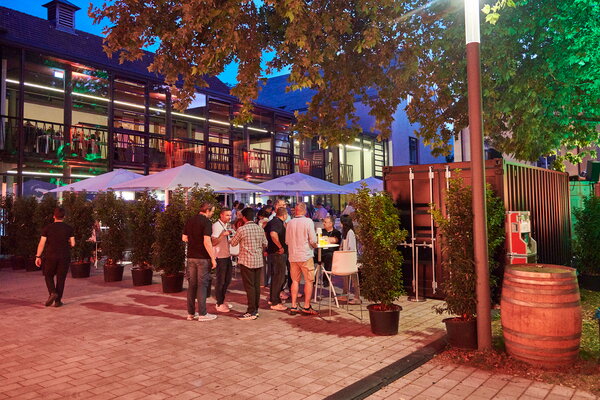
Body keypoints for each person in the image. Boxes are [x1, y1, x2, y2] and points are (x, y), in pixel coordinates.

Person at [230, 207, 268, 320]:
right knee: (256, 286)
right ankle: (255, 309)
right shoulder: (259, 229)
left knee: (249, 287)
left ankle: (251, 311)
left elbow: (233, 243)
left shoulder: (242, 229)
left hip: (246, 261)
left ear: (244, 217)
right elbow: (265, 243)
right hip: (258, 260)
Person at [182, 202, 217, 322]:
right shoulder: (207, 222)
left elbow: (184, 238)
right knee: (202, 285)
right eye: (212, 211)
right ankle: (202, 314)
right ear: (207, 211)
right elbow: (207, 241)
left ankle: (191, 314)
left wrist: (194, 242)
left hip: (191, 257)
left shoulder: (190, 220)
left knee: (192, 285)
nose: (212, 214)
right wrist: (213, 258)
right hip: (203, 257)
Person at [35, 207, 75, 307]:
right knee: (61, 279)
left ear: (54, 216)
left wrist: (38, 256)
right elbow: (73, 243)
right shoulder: (69, 228)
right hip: (64, 256)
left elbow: (41, 243)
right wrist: (67, 241)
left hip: (50, 256)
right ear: (64, 217)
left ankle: (52, 292)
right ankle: (58, 301)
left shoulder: (47, 228)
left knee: (48, 275)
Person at [285, 202, 318, 316]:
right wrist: (315, 246)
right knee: (309, 281)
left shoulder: (290, 223)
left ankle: (294, 305)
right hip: (305, 255)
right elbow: (313, 240)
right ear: (304, 211)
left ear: (296, 211)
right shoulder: (308, 221)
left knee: (295, 281)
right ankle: (306, 306)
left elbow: (287, 241)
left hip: (293, 256)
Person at [265, 207, 289, 311]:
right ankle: (275, 302)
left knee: (275, 277)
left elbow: (266, 233)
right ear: (284, 215)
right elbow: (273, 234)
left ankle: (273, 299)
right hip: (277, 253)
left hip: (272, 252)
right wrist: (280, 247)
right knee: (279, 277)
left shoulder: (271, 222)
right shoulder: (277, 223)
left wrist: (267, 246)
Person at [211, 207, 235, 313]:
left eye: (230, 215)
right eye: (227, 215)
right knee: (221, 281)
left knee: (227, 280)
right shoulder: (216, 226)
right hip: (220, 257)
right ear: (221, 215)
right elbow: (214, 242)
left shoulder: (225, 225)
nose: (229, 217)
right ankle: (219, 303)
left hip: (227, 255)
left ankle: (222, 300)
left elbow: (225, 241)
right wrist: (222, 235)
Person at [339, 214, 361, 304]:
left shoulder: (350, 233)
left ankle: (357, 297)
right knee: (345, 277)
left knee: (354, 278)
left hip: (350, 258)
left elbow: (351, 248)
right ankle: (345, 294)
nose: (340, 224)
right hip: (346, 258)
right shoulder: (345, 233)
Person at [319, 215, 342, 289]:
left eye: (325, 222)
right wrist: (328, 239)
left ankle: (326, 280)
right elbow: (317, 240)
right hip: (320, 252)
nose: (323, 223)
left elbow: (335, 240)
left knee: (329, 256)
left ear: (331, 223)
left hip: (330, 253)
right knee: (311, 256)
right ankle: (311, 279)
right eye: (323, 222)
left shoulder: (336, 232)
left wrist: (323, 239)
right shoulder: (321, 231)